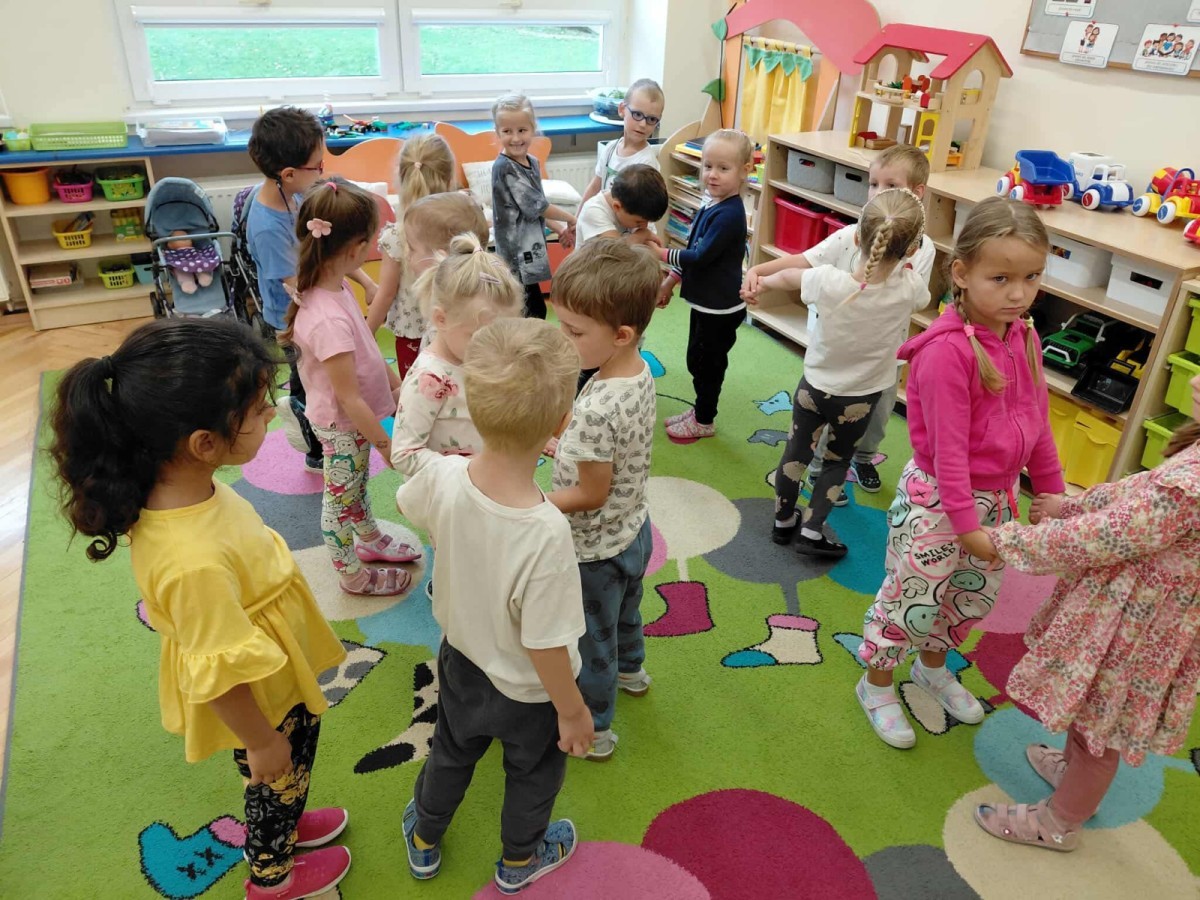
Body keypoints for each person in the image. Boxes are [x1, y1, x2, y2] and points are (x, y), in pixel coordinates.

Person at [48, 318, 351, 900]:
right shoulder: (192, 562)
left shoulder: (186, 486)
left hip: (264, 662)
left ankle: (285, 813)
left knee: (284, 773)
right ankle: (271, 875)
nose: (272, 414)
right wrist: (260, 740)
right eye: (258, 410)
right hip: (258, 695)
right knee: (276, 770)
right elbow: (219, 672)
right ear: (204, 443)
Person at [855, 196, 1066, 749]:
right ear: (962, 273)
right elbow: (949, 454)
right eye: (1001, 278)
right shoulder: (947, 353)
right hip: (938, 503)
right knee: (911, 599)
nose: (1019, 294)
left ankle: (932, 668)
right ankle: (876, 683)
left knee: (967, 598)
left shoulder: (1024, 335)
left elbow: (1037, 420)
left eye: (1031, 277)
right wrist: (967, 526)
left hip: (997, 500)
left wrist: (1051, 488)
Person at [398, 318, 591, 895]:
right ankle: (519, 860)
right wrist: (573, 712)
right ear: (561, 422)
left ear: (472, 406)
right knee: (532, 774)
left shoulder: (443, 474)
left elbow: (410, 505)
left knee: (451, 752)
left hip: (462, 659)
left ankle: (425, 838)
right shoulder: (547, 532)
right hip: (531, 694)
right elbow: (546, 642)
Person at [969, 382, 1200, 851]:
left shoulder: (1191, 488)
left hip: (1136, 629)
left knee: (1100, 728)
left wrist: (1009, 542)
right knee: (1092, 704)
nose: (1194, 382)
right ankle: (1073, 776)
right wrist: (1070, 505)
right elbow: (1130, 494)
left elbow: (1105, 535)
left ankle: (1060, 821)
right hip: (1132, 614)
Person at [744, 144, 936, 501]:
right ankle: (822, 471)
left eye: (890, 185)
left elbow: (913, 295)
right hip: (834, 354)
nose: (876, 193)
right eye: (873, 184)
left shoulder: (922, 249)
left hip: (881, 362)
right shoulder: (851, 235)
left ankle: (862, 459)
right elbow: (804, 261)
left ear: (917, 192)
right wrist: (758, 270)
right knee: (826, 417)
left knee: (875, 420)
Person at [546, 239, 660, 761]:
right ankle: (634, 671)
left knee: (592, 642)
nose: (562, 338)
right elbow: (607, 440)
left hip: (593, 551)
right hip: (633, 528)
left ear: (621, 334)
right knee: (626, 615)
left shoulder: (596, 409)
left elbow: (590, 494)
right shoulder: (635, 370)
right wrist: (564, 439)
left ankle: (597, 728)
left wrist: (538, 504)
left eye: (573, 332)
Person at [280, 178, 419, 597]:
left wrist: (395, 385)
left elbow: (365, 351)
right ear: (355, 248)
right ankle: (351, 574)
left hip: (354, 420)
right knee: (339, 501)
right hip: (343, 425)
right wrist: (385, 443)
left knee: (355, 485)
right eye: (371, 241)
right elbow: (348, 397)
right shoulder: (326, 318)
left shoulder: (334, 283)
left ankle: (370, 538)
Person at [245, 106, 378, 474]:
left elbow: (327, 250)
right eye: (318, 165)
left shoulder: (299, 195)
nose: (322, 170)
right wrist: (333, 309)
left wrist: (366, 282)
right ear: (288, 174)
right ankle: (314, 446)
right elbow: (297, 285)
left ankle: (303, 403)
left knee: (318, 375)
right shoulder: (267, 227)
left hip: (320, 300)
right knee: (314, 382)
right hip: (294, 318)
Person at [390, 232, 523, 478]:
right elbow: (404, 454)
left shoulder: (474, 354)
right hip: (447, 492)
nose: (492, 348)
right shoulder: (428, 379)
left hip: (483, 481)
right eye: (478, 336)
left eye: (500, 335)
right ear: (441, 319)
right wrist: (472, 465)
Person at [657, 129, 754, 442]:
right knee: (696, 360)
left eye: (723, 168)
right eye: (707, 166)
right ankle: (701, 409)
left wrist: (659, 254)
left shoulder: (729, 215)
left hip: (720, 308)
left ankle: (704, 420)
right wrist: (670, 281)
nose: (712, 174)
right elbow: (692, 246)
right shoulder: (711, 204)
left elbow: (698, 257)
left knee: (707, 365)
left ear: (745, 171)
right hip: (705, 302)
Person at [367, 134, 458, 377]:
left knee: (416, 389)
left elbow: (385, 293)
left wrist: (365, 334)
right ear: (449, 177)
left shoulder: (397, 235)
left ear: (402, 178)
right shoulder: (463, 224)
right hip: (457, 328)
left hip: (412, 334)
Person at [490, 93, 578, 320]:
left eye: (522, 130)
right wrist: (570, 219)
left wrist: (559, 229)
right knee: (531, 310)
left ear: (533, 129)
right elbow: (539, 206)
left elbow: (533, 211)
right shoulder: (505, 168)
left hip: (530, 247)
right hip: (514, 254)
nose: (515, 138)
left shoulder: (533, 163)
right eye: (507, 131)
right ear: (498, 132)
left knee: (532, 309)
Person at [578, 79, 665, 209]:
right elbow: (595, 187)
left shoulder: (647, 164)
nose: (643, 124)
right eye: (637, 114)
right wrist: (577, 217)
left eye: (651, 119)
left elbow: (641, 212)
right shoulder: (610, 148)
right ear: (622, 109)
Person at [575, 163, 668, 247]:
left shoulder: (639, 210)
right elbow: (616, 250)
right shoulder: (593, 211)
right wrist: (642, 235)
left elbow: (652, 248)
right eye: (638, 222)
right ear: (617, 207)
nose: (644, 226)